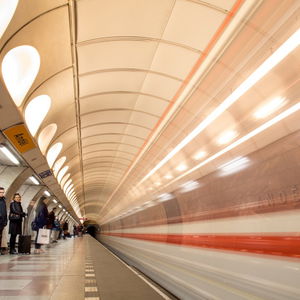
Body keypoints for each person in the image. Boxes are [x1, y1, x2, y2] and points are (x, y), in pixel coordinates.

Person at [0, 187, 7, 255]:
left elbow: (4, 211)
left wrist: (5, 220)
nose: (2, 194)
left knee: (0, 236)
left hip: (2, 222)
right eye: (0, 192)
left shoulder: (3, 200)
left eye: (3, 192)